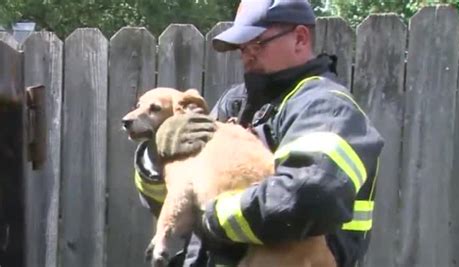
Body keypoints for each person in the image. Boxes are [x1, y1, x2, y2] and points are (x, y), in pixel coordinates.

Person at [133, 0, 384, 266]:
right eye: (242, 47)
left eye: (257, 44)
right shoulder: (234, 103)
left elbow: (307, 197)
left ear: (300, 38)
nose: (247, 54)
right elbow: (168, 202)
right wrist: (156, 156)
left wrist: (212, 217)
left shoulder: (327, 108)